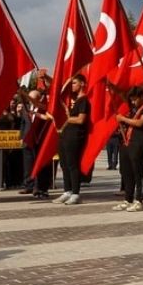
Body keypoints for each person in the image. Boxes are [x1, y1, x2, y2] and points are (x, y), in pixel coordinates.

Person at [114, 86, 143, 212]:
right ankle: (128, 198)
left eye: (135, 99)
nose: (133, 102)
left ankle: (139, 200)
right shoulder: (132, 109)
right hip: (126, 142)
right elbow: (122, 95)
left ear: (141, 97)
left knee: (138, 172)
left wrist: (123, 119)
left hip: (138, 143)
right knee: (126, 172)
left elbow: (140, 123)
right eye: (131, 100)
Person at [55, 74, 90, 205]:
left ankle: (76, 193)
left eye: (74, 83)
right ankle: (67, 191)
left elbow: (81, 119)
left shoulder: (84, 100)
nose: (72, 86)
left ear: (82, 84)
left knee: (72, 165)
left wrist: (66, 118)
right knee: (64, 164)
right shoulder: (75, 100)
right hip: (65, 135)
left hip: (75, 136)